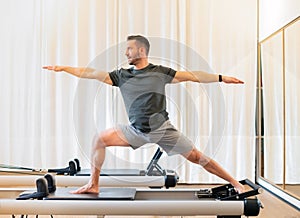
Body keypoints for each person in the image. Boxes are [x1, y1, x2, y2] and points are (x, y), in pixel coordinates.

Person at [43, 35, 245, 194]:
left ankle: (235, 183)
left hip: (162, 130)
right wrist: (64, 68)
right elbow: (91, 72)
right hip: (135, 130)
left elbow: (193, 76)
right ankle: (93, 184)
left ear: (141, 50)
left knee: (197, 157)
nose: (126, 53)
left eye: (129, 49)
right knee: (99, 140)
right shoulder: (122, 75)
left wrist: (221, 78)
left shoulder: (160, 72)